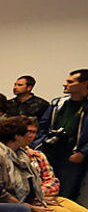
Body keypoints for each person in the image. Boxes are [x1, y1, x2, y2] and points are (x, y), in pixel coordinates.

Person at [24, 128, 88, 212]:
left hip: (50, 197)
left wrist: (41, 193)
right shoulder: (11, 155)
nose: (30, 135)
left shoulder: (38, 155)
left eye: (34, 132)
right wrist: (37, 196)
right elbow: (18, 187)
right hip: (29, 200)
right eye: (26, 131)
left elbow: (53, 181)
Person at [35, 69, 88, 203]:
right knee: (45, 192)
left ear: (84, 84)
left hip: (73, 157)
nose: (64, 84)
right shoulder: (58, 103)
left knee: (66, 195)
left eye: (70, 81)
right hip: (50, 154)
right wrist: (38, 148)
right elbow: (43, 128)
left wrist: (83, 152)